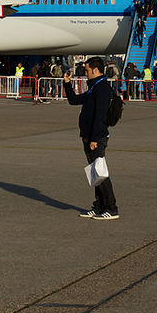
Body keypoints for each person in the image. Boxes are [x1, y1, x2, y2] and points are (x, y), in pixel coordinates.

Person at [64, 56, 118, 220]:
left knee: (101, 173)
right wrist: (67, 83)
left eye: (86, 70)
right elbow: (74, 101)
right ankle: (99, 206)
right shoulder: (94, 87)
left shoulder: (101, 88)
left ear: (95, 70)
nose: (85, 73)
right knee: (95, 174)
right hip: (89, 136)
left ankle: (111, 208)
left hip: (97, 137)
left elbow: (100, 116)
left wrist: (94, 138)